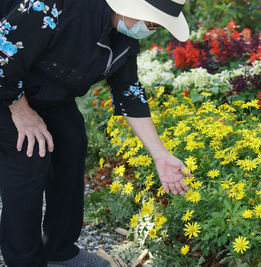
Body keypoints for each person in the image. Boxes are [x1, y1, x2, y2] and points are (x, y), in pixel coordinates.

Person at [0, 0, 191, 266]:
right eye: (152, 22)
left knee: (71, 141)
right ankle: (24, 260)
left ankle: (60, 251)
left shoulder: (122, 37)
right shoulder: (57, 5)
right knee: (29, 157)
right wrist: (21, 112)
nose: (152, 29)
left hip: (47, 91)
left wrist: (160, 155)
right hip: (7, 89)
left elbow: (128, 91)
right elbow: (2, 54)